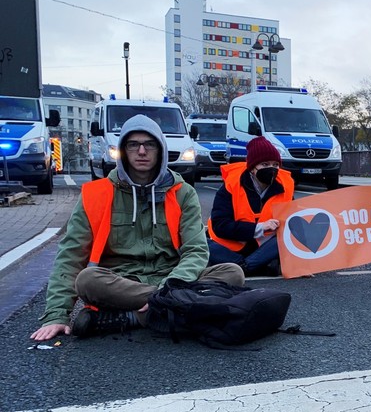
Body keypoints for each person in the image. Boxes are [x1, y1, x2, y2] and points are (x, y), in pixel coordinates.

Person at [30, 115, 244, 342]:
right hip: (121, 283)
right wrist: (56, 315)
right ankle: (179, 309)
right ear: (123, 150)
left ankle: (132, 317)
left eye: (149, 144)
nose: (141, 151)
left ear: (160, 149)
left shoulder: (183, 193)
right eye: (133, 145)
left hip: (173, 279)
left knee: (232, 274)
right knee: (87, 280)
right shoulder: (96, 194)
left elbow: (196, 250)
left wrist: (169, 287)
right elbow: (71, 256)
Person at [207, 136, 295, 277]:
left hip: (265, 248)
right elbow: (220, 225)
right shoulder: (231, 186)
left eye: (275, 165)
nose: (272, 169)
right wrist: (259, 228)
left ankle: (242, 268)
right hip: (230, 246)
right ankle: (255, 266)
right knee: (201, 244)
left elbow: (293, 227)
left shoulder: (286, 186)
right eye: (265, 165)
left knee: (284, 239)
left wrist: (302, 265)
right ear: (252, 168)